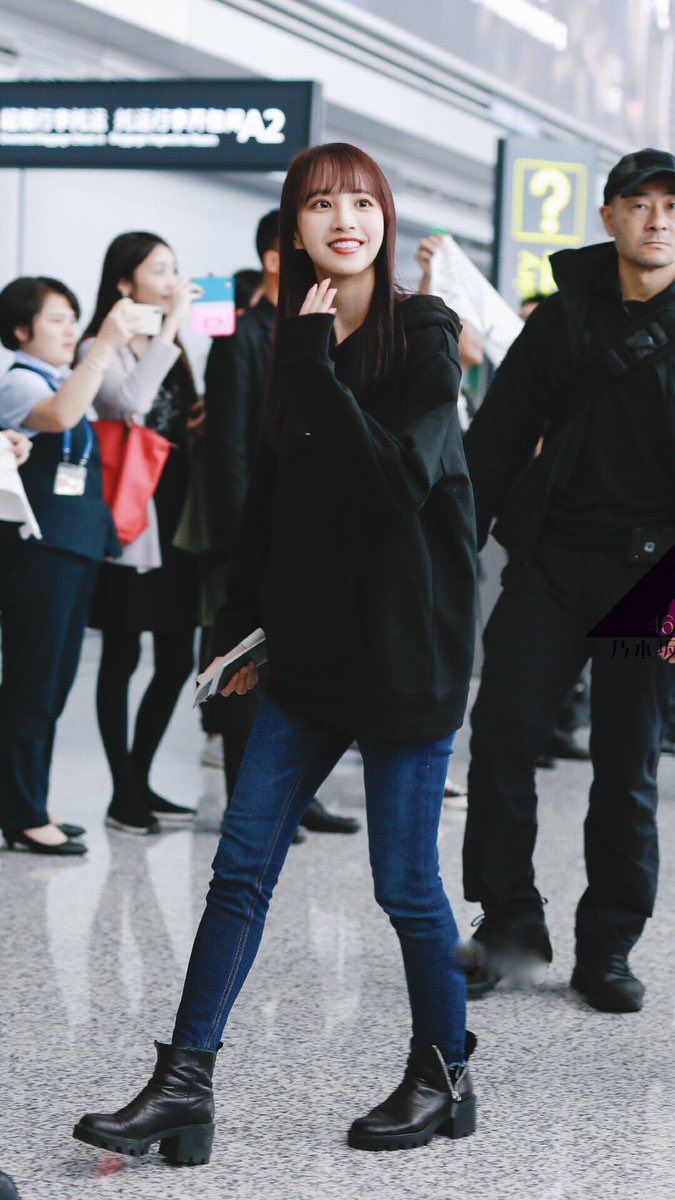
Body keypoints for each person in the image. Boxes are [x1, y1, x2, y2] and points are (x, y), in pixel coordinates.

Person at [73, 141, 478, 1162]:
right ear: (293, 226)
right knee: (240, 870)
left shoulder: (424, 334)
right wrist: (238, 630)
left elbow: (398, 482)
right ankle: (184, 1085)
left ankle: (444, 1076)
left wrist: (307, 362)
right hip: (308, 652)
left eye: (362, 203)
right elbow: (272, 500)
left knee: (405, 886)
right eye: (321, 204)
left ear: (385, 220)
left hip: (407, 651)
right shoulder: (284, 332)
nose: (344, 219)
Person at [461, 148, 675, 1013]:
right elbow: (499, 436)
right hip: (551, 559)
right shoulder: (563, 317)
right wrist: (452, 551)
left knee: (626, 761)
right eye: (639, 202)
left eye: (672, 206)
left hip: (653, 573)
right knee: (500, 734)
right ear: (608, 215)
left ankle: (607, 946)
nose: (656, 220)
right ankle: (509, 924)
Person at [201, 210, 360, 836]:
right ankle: (250, 806)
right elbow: (230, 444)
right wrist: (244, 535)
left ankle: (300, 795)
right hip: (257, 523)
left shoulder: (324, 328)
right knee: (249, 666)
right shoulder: (242, 334)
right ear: (277, 257)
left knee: (304, 665)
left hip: (315, 529)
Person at [0, 275, 135, 855]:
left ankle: (28, 798)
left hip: (69, 547)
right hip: (38, 550)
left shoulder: (59, 377)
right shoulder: (21, 382)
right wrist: (101, 349)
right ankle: (23, 812)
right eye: (56, 319)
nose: (70, 329)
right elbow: (58, 417)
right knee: (34, 680)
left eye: (73, 318)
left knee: (52, 681)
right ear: (20, 330)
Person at [81, 232, 203, 835]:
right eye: (159, 269)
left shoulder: (170, 346)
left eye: (173, 268)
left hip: (177, 517)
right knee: (123, 653)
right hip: (131, 518)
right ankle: (121, 792)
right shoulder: (96, 345)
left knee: (177, 657)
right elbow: (130, 403)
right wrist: (171, 325)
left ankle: (140, 777)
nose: (171, 279)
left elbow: (173, 417)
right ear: (125, 282)